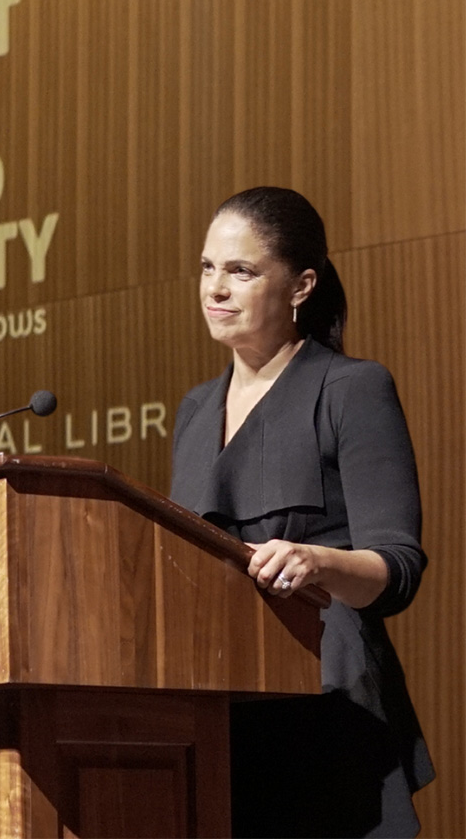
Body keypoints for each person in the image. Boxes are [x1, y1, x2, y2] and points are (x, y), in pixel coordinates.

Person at [170, 186, 435, 838]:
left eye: (242, 270)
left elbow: (396, 567)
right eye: (208, 267)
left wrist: (318, 561)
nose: (217, 288)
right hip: (220, 700)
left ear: (301, 285)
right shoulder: (195, 410)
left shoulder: (350, 388)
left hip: (329, 694)